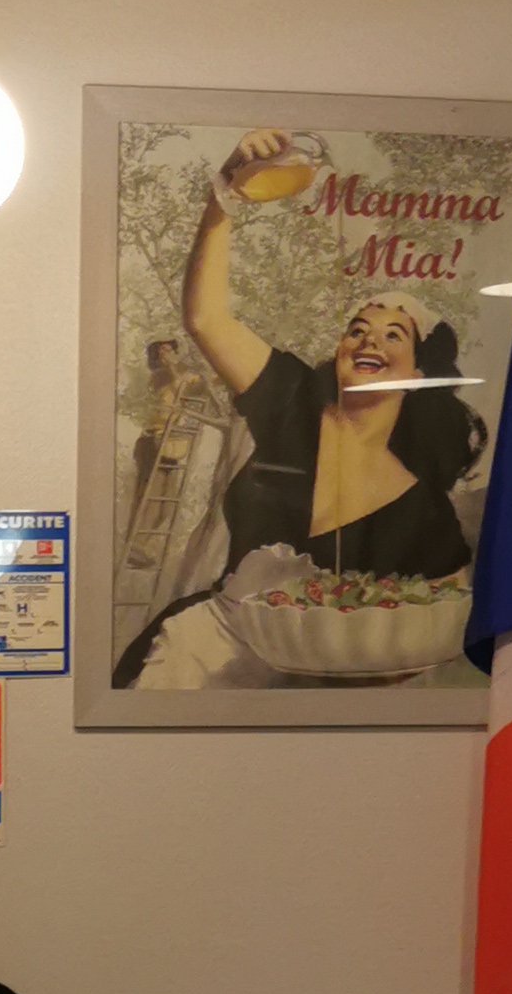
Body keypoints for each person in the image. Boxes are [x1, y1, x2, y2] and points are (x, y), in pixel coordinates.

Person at [109, 130, 486, 684]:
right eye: (357, 329)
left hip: (333, 692)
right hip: (212, 655)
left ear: (417, 374)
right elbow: (205, 319)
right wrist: (223, 196)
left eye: (393, 335)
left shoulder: (425, 512)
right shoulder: (292, 397)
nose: (368, 340)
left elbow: (438, 621)